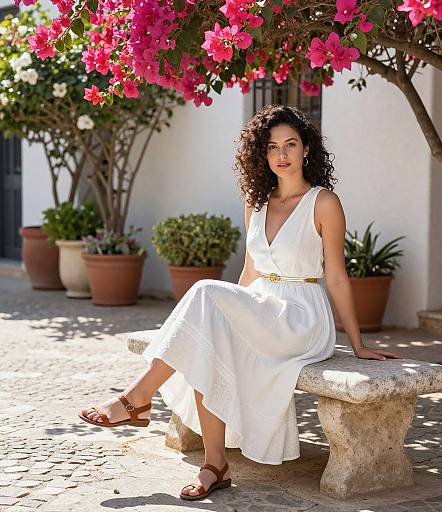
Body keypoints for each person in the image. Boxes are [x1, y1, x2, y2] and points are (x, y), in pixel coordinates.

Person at [78, 104, 403, 501]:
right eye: (271, 147)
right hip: (262, 304)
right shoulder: (258, 201)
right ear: (261, 155)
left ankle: (135, 400)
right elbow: (249, 270)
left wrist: (357, 343)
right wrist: (230, 310)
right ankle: (215, 465)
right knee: (208, 332)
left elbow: (335, 275)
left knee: (203, 296)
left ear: (306, 150)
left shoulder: (323, 203)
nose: (281, 155)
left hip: (301, 316)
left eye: (290, 144)